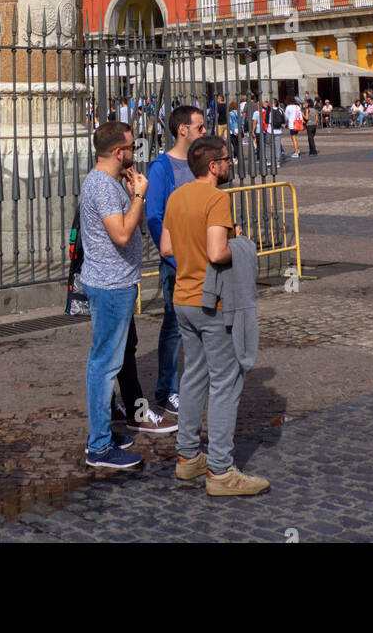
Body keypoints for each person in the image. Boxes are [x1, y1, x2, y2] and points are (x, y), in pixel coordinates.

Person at [161, 135, 270, 496]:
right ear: (213, 166)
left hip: (183, 299)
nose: (230, 164)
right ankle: (221, 470)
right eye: (226, 159)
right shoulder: (217, 199)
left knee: (194, 376)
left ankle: (188, 457)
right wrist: (241, 243)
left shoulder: (177, 196)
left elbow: (165, 247)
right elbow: (217, 252)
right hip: (213, 304)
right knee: (226, 382)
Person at [78, 122, 149, 469]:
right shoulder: (103, 187)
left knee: (108, 361)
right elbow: (121, 234)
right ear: (119, 152)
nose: (135, 152)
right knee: (104, 365)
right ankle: (99, 446)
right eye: (132, 147)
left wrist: (132, 191)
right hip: (110, 285)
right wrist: (138, 195)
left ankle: (103, 432)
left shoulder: (108, 183)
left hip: (113, 282)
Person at [145, 106, 207, 417]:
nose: (204, 131)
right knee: (173, 325)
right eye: (199, 126)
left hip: (202, 258)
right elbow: (154, 216)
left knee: (202, 324)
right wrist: (169, 252)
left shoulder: (199, 165)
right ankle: (166, 389)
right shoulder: (161, 167)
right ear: (183, 130)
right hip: (176, 261)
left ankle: (194, 383)